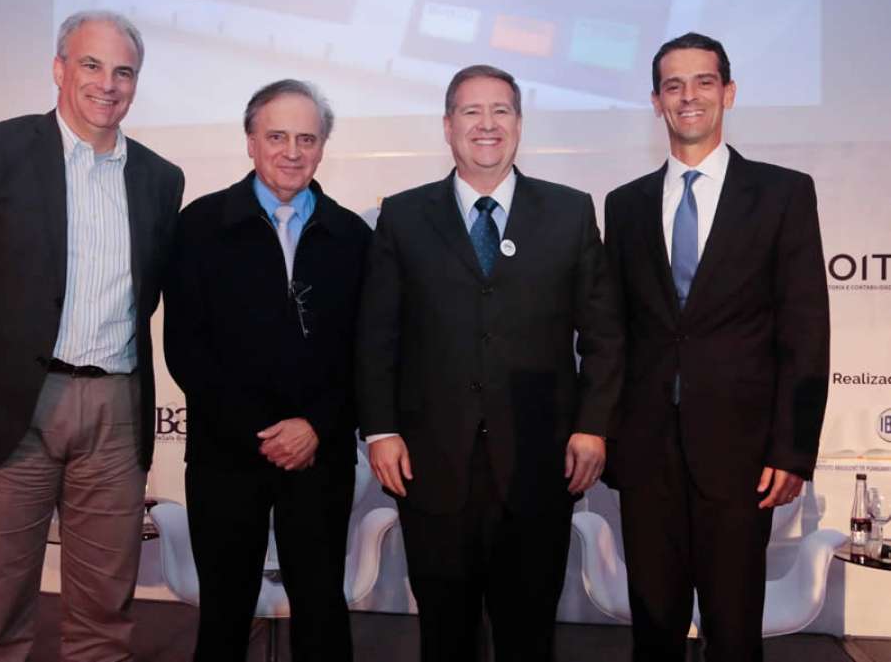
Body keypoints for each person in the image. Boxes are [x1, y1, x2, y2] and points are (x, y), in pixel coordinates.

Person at [0, 10, 184, 662]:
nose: (108, 84)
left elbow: (150, 292)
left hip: (116, 412)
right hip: (12, 406)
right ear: (59, 68)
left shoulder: (160, 178)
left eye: (124, 72)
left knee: (105, 615)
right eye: (91, 64)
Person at [356, 64, 623, 661]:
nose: (487, 124)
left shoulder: (570, 212)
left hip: (539, 464)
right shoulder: (403, 216)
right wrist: (380, 429)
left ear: (519, 124)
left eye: (501, 110)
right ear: (448, 125)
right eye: (471, 111)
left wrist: (593, 425)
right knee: (444, 635)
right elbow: (377, 335)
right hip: (430, 463)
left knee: (529, 635)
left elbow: (604, 335)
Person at [603, 32, 830, 662]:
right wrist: (606, 434)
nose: (689, 96)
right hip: (646, 453)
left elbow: (806, 331)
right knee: (654, 632)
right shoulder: (624, 205)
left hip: (742, 454)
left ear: (728, 93)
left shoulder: (784, 193)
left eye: (703, 82)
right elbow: (613, 332)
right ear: (656, 101)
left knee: (733, 634)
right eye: (673, 85)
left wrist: (793, 448)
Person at [164, 79, 370, 662]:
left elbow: (367, 351)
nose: (292, 151)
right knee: (224, 613)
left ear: (323, 147)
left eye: (307, 138)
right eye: (277, 136)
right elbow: (186, 346)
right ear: (251, 141)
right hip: (225, 454)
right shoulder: (200, 225)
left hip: (319, 453)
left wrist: (315, 426)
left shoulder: (353, 236)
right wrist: (259, 431)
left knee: (321, 610)